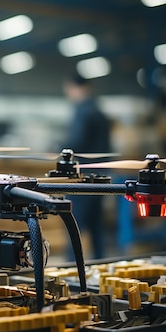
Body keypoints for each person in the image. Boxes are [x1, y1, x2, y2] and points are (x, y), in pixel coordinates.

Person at [61, 73, 112, 260]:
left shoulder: (83, 111)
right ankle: (101, 265)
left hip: (83, 178)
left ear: (75, 87)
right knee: (96, 226)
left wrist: (57, 148)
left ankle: (71, 269)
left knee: (74, 223)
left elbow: (76, 142)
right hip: (100, 178)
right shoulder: (99, 111)